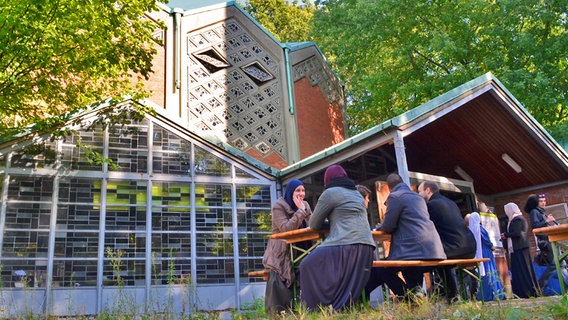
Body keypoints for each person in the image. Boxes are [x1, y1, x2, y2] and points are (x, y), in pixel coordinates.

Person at [299, 165, 376, 310]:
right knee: (327, 267)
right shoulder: (357, 194)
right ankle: (335, 307)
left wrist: (329, 222)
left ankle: (316, 308)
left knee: (306, 264)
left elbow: (314, 224)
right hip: (367, 248)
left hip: (346, 245)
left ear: (327, 179)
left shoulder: (330, 193)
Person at [365, 173, 446, 300]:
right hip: (433, 249)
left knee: (383, 269)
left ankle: (408, 298)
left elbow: (388, 226)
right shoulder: (418, 198)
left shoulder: (395, 196)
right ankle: (415, 292)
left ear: (390, 188)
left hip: (414, 249)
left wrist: (380, 227)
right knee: (409, 264)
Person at [418, 181, 476, 302]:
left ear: (428, 190)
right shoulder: (451, 203)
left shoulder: (432, 205)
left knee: (429, 258)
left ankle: (449, 295)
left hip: (457, 247)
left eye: (419, 191)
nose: (418, 195)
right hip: (470, 246)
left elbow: (423, 228)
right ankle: (454, 296)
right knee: (441, 256)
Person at [262, 179, 311, 314]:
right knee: (284, 275)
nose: (301, 194)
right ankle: (283, 312)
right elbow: (285, 229)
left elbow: (313, 225)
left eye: (303, 190)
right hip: (283, 252)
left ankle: (308, 308)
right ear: (290, 192)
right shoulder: (279, 206)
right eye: (297, 191)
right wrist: (300, 211)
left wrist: (306, 212)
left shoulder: (305, 204)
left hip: (304, 248)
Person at [501, 202, 540, 298]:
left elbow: (517, 233)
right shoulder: (519, 218)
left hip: (519, 248)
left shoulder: (517, 219)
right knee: (523, 270)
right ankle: (528, 291)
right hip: (520, 248)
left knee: (522, 270)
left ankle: (527, 291)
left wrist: (506, 234)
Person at [466, 212, 505, 301]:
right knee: (489, 271)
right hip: (485, 252)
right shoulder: (480, 229)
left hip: (477, 253)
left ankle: (483, 294)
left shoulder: (471, 230)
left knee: (481, 273)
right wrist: (492, 246)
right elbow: (487, 241)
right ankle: (495, 293)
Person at [525, 193, 557, 266]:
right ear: (536, 203)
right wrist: (546, 221)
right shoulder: (534, 212)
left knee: (555, 263)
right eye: (541, 201)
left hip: (549, 239)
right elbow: (535, 226)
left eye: (544, 201)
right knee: (555, 263)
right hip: (545, 241)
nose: (543, 203)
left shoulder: (540, 211)